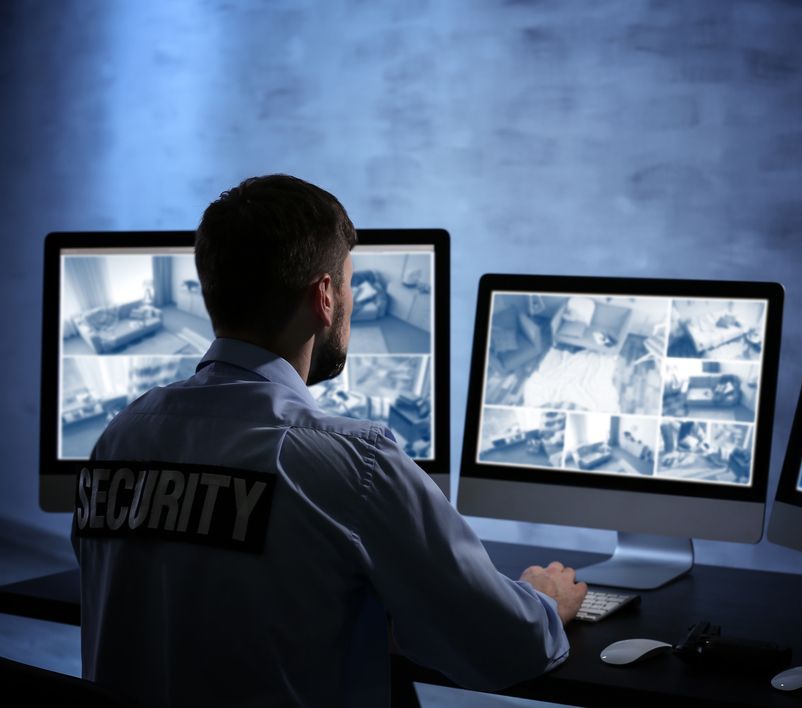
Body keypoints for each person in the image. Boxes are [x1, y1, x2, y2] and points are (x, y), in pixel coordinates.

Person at [72, 175, 587, 707]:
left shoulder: (119, 436)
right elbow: (503, 643)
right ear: (324, 297)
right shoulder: (354, 460)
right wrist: (543, 601)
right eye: (346, 284)